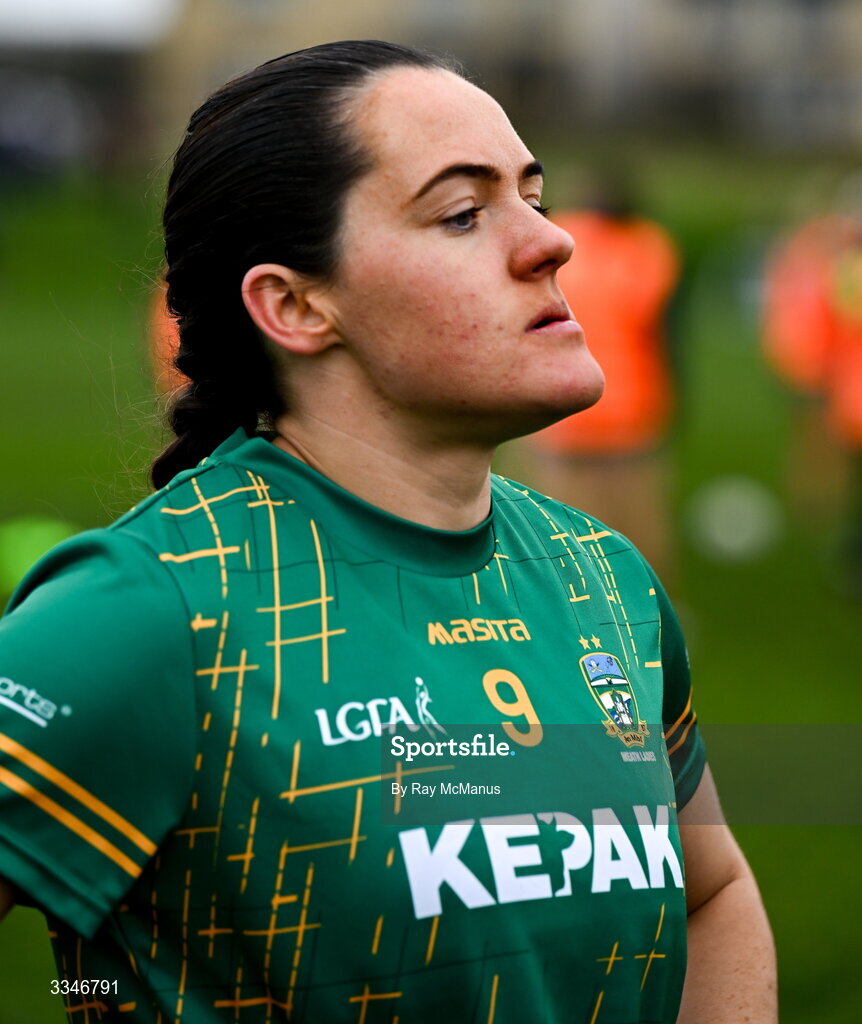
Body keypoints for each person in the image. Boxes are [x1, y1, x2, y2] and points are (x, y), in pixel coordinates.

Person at [0, 41, 776, 1023]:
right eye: (462, 211)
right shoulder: (154, 609)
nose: (550, 240)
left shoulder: (602, 577)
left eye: (532, 196)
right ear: (294, 304)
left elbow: (710, 891)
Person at [525, 176, 681, 578]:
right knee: (639, 520)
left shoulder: (552, 241)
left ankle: (576, 615)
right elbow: (663, 332)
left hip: (559, 400)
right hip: (630, 403)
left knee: (559, 522)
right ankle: (652, 613)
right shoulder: (647, 249)